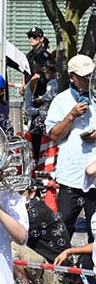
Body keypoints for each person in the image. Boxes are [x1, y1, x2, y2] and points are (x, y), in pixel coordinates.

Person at [45, 54, 95, 238]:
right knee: (64, 224)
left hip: (95, 173)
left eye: (91, 75)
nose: (87, 80)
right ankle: (62, 263)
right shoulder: (61, 100)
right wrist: (71, 116)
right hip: (71, 174)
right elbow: (55, 135)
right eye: (83, 76)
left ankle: (90, 265)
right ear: (71, 76)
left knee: (94, 227)